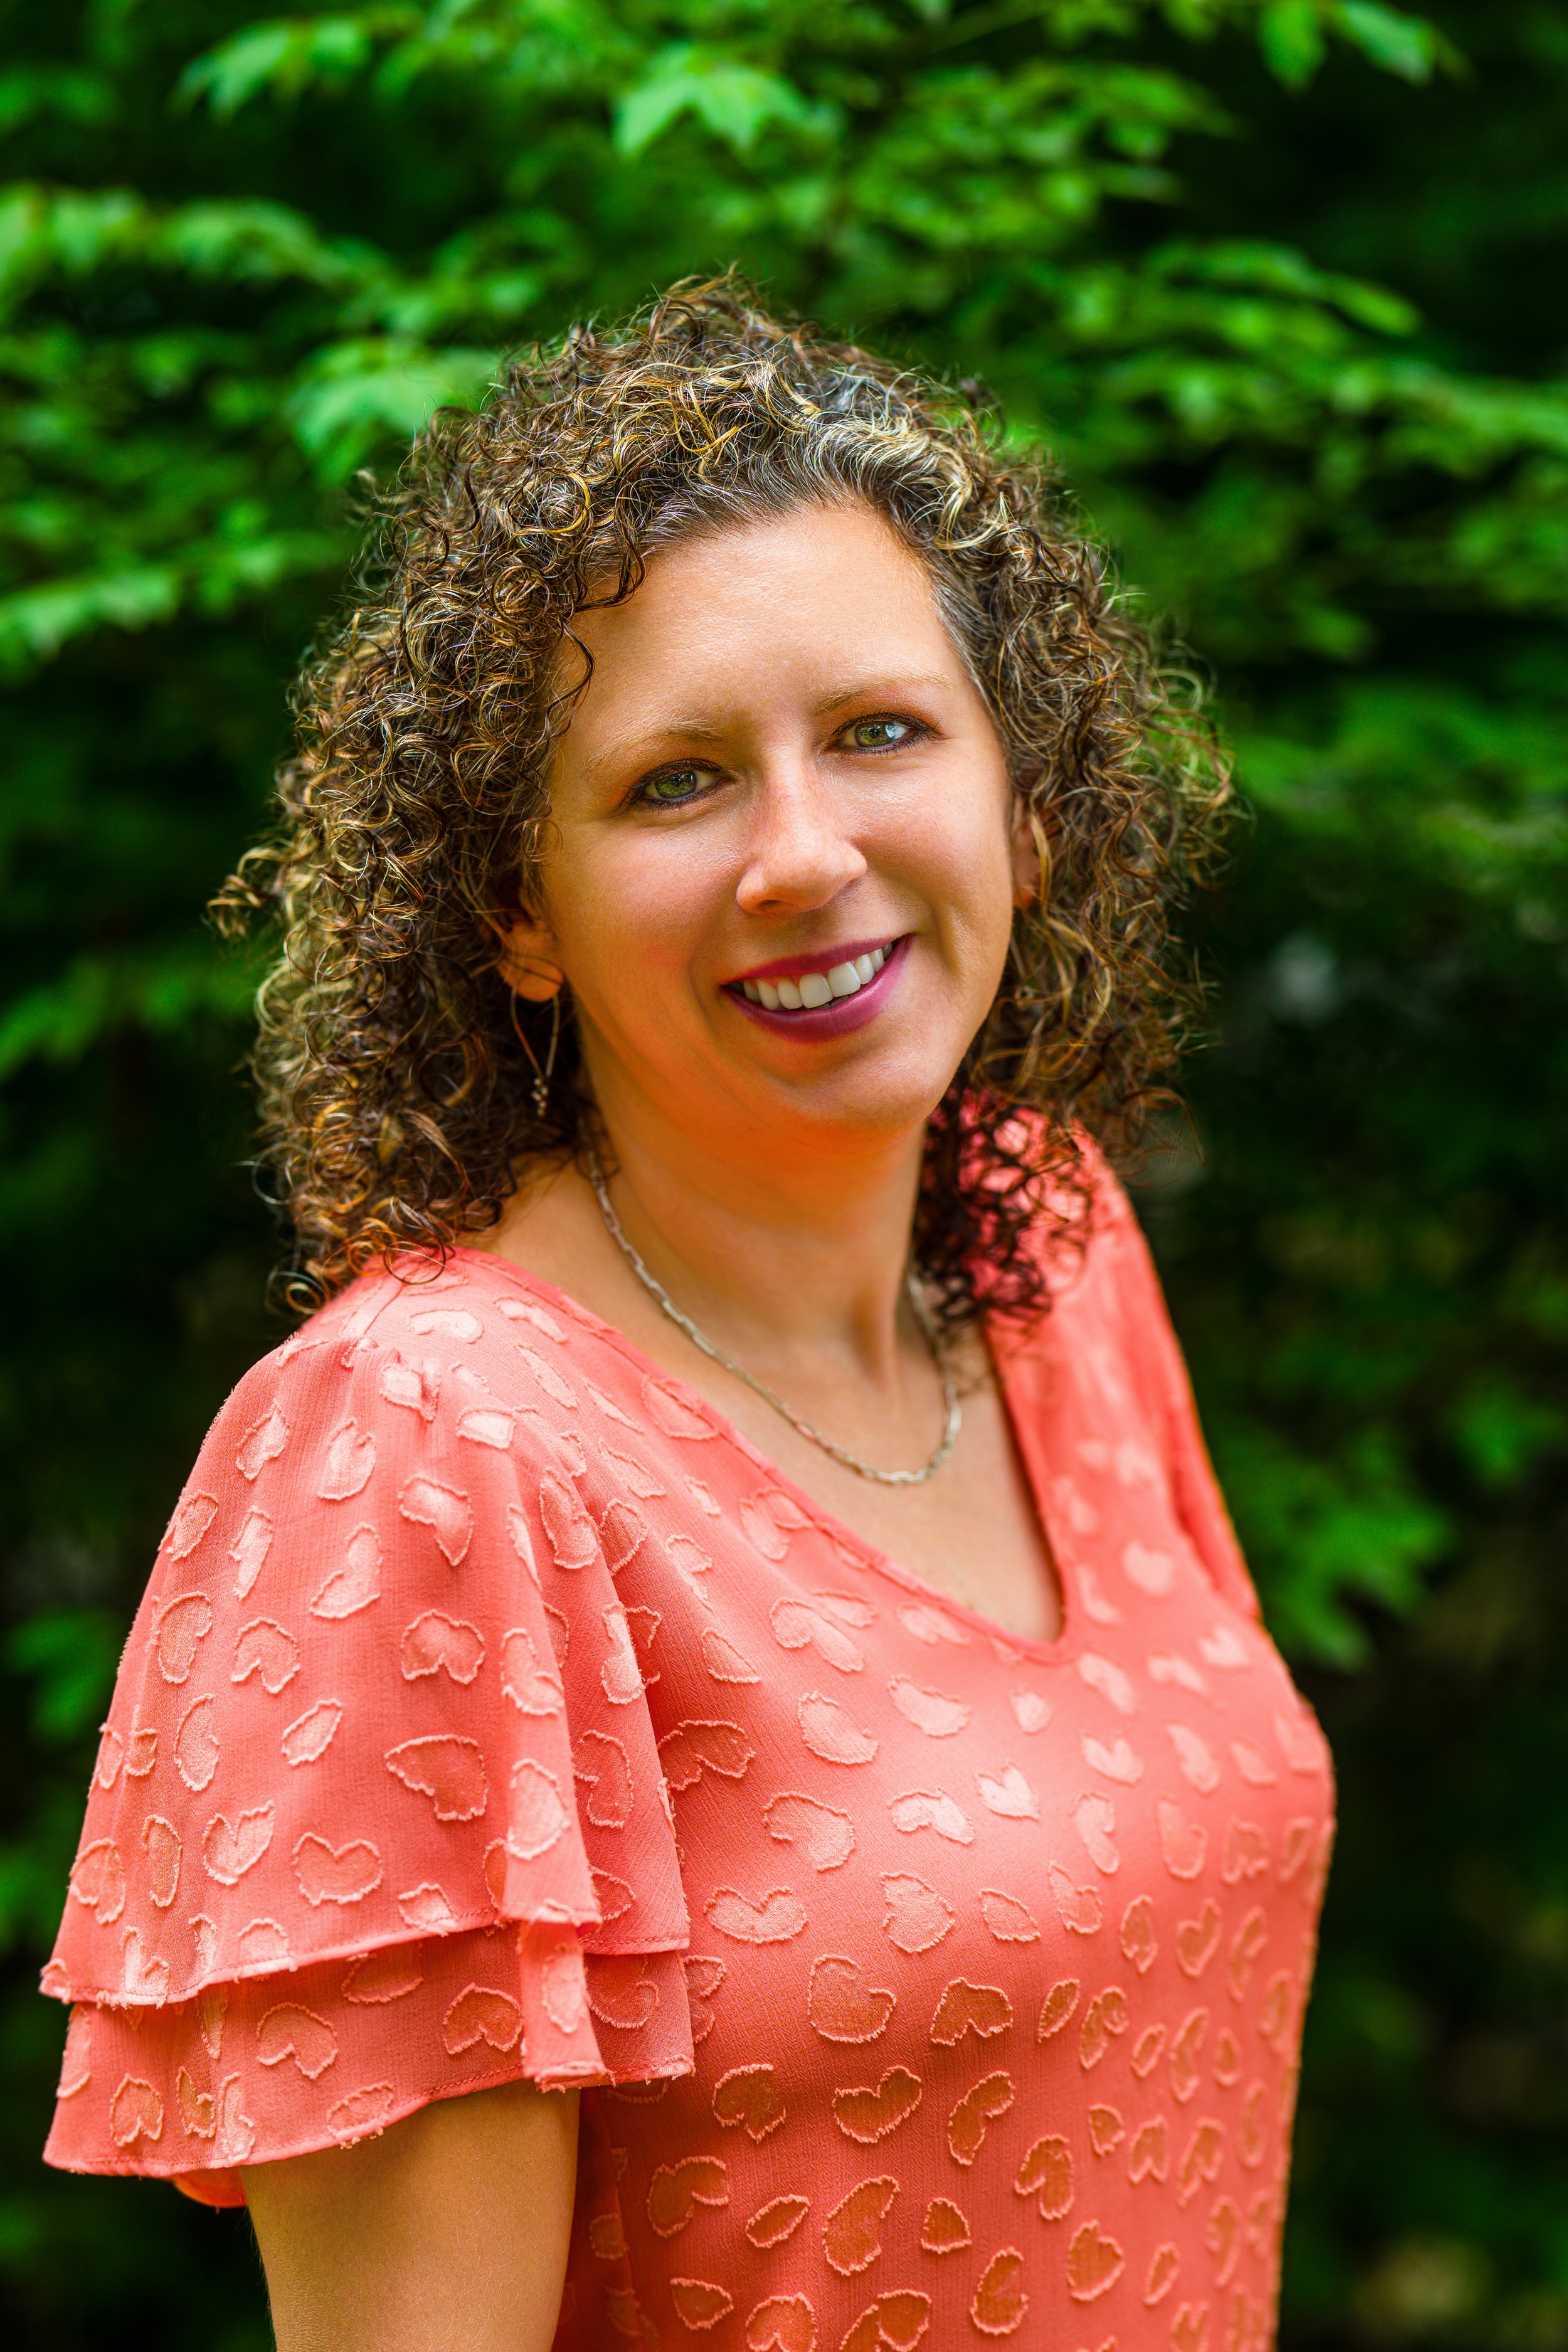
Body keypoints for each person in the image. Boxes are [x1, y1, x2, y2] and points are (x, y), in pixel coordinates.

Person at [41, 280, 1333, 2352]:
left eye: (881, 734)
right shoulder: (421, 1454)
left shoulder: (1053, 1246)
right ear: (518, 913)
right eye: (674, 784)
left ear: (1021, 790)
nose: (804, 858)